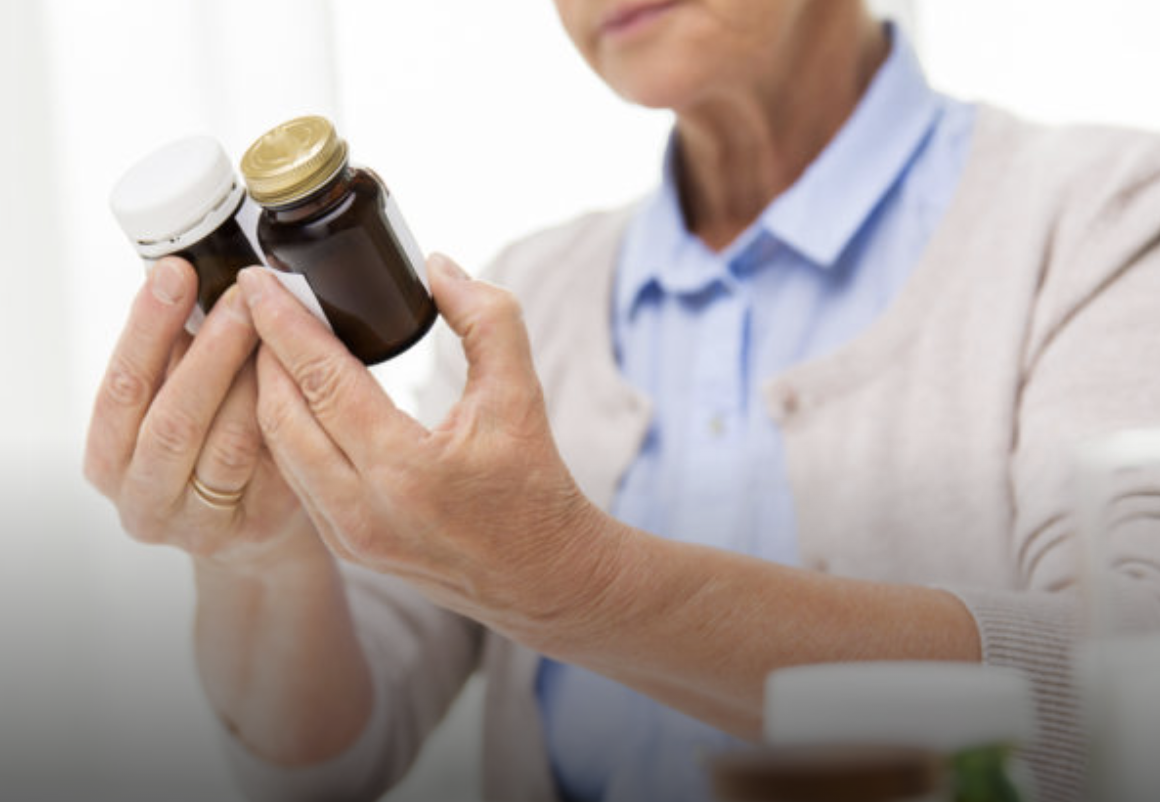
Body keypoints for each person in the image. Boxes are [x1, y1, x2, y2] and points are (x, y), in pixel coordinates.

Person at [84, 2, 1160, 801]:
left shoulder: (1104, 217)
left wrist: (574, 582)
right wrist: (260, 549)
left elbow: (1125, 698)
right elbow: (322, 758)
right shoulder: (525, 291)